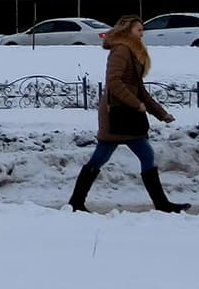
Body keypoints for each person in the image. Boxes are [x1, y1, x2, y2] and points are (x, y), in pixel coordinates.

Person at [71, 15, 186, 213]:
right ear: (127, 31)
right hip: (117, 112)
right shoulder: (122, 50)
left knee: (105, 156)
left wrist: (161, 113)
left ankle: (76, 202)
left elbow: (139, 89)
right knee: (137, 155)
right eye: (138, 30)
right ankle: (162, 204)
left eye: (142, 30)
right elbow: (114, 82)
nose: (142, 34)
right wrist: (136, 104)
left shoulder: (131, 51)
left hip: (125, 113)